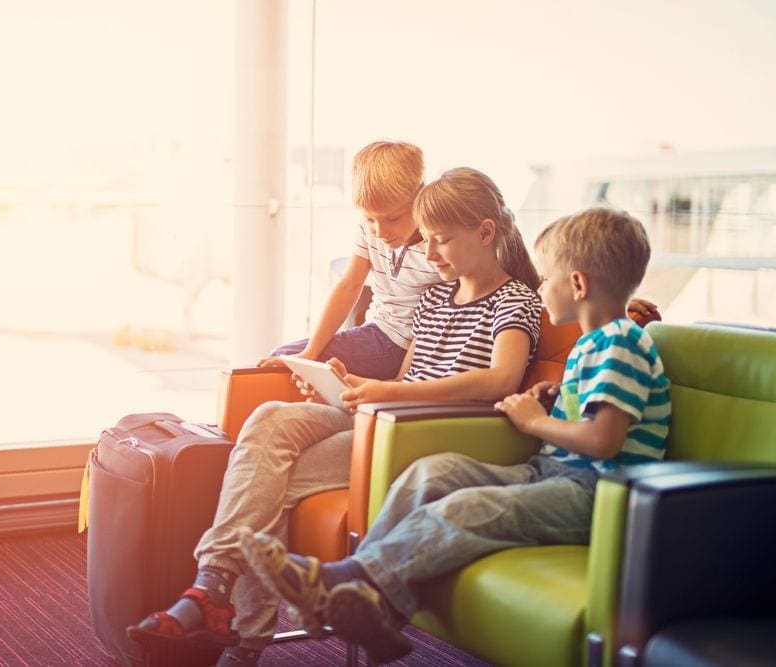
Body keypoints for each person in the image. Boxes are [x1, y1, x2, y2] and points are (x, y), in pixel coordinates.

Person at [126, 167, 544, 666]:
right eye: (427, 241)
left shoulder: (515, 300)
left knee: (272, 479)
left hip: (415, 435)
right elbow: (408, 377)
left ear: (485, 232)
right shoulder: (435, 297)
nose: (430, 255)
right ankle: (212, 585)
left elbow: (500, 380)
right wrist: (344, 386)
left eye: (441, 242)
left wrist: (387, 393)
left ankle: (236, 632)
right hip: (384, 415)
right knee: (270, 418)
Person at [239, 206, 672, 664]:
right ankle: (375, 611)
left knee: (471, 507)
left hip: (598, 496)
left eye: (547, 278)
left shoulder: (623, 343)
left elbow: (604, 440)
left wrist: (532, 421)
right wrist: (554, 394)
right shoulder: (594, 343)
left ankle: (349, 581)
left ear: (579, 285)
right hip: (554, 473)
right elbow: (593, 408)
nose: (541, 287)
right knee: (432, 472)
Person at [260, 140, 441, 380]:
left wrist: (400, 381)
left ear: (420, 198)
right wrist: (311, 351)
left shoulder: (439, 245)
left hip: (408, 346)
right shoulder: (370, 230)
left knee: (285, 365)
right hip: (375, 331)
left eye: (393, 218)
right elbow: (349, 285)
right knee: (285, 360)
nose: (379, 230)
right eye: (369, 219)